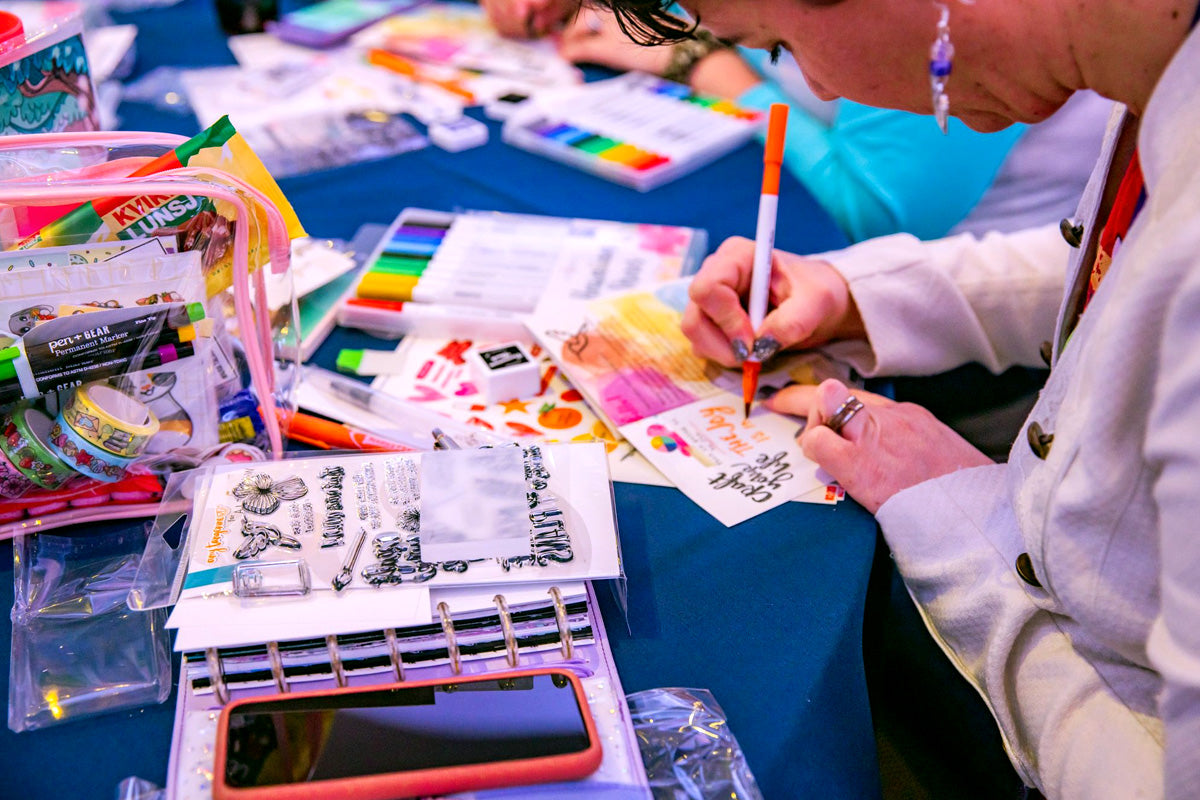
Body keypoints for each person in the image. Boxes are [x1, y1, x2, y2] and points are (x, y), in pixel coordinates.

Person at [583, 0, 1200, 798]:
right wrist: (850, 296)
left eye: (779, 43)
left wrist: (964, 527)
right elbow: (1101, 256)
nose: (815, 83)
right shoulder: (1154, 68)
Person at [481, 0, 1112, 242]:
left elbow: (875, 215)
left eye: (781, 45)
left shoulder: (932, 46)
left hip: (969, 323)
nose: (818, 84)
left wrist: (712, 66)